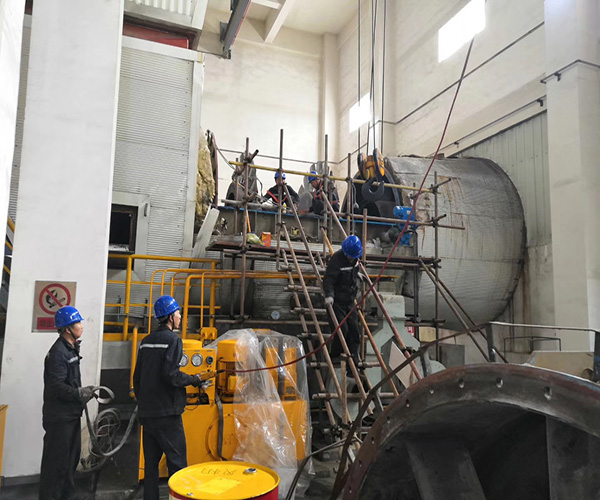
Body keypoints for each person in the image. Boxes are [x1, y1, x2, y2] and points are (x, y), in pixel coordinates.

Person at [133, 295, 205, 500]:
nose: (181, 316)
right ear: (171, 317)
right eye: (178, 313)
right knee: (178, 464)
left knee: (151, 467)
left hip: (148, 414)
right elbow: (171, 375)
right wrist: (194, 379)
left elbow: (137, 378)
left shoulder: (146, 341)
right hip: (167, 415)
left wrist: (144, 403)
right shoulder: (173, 340)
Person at [40, 306, 95, 500]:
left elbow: (68, 383)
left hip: (70, 415)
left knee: (70, 462)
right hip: (59, 418)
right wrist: (78, 393)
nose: (81, 326)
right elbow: (56, 387)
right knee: (57, 465)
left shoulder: (70, 348)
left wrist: (81, 393)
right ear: (67, 329)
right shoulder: (58, 353)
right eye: (77, 322)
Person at [323, 235, 363, 374]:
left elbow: (352, 269)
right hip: (337, 301)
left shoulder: (356, 258)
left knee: (355, 332)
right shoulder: (337, 260)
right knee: (342, 330)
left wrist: (357, 274)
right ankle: (336, 356)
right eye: (350, 256)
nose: (352, 258)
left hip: (350, 300)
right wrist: (329, 295)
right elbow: (328, 279)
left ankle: (353, 366)